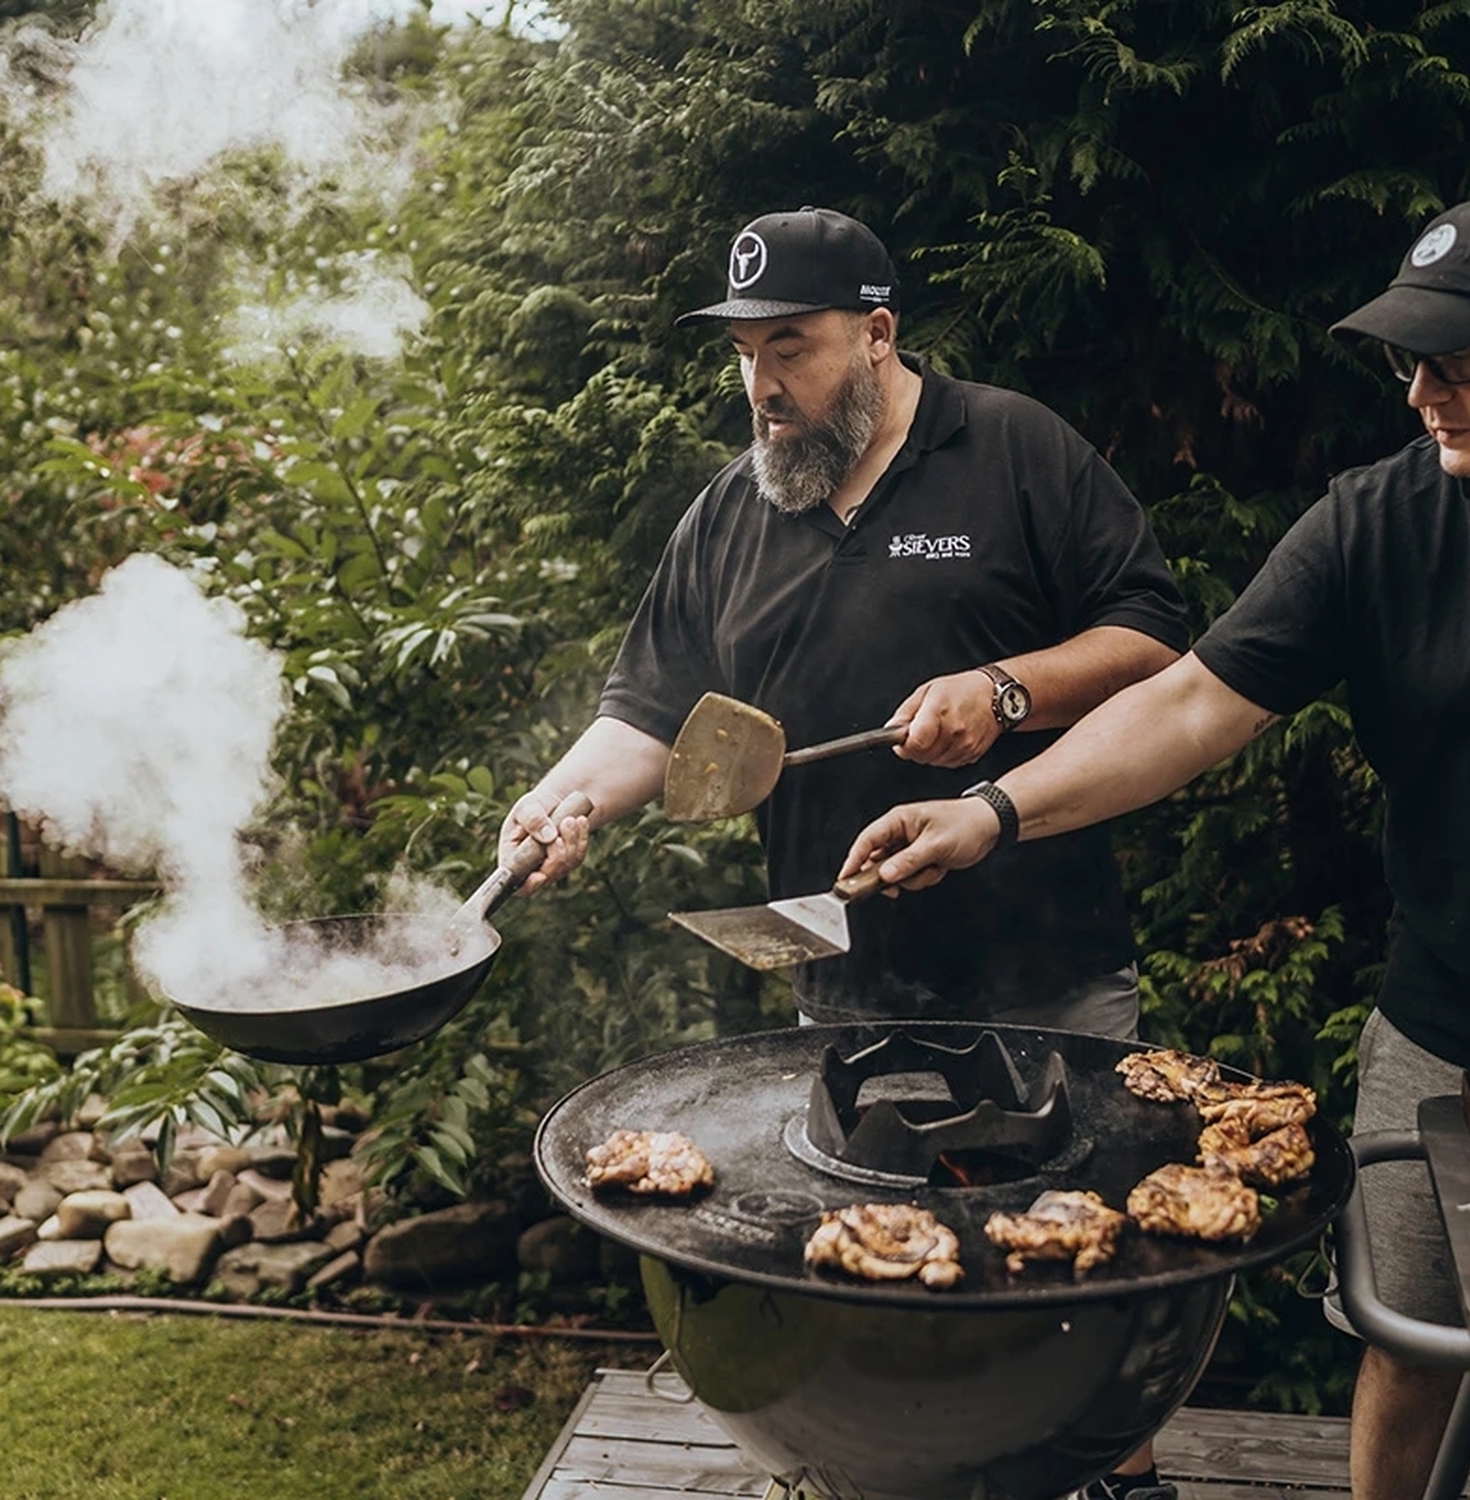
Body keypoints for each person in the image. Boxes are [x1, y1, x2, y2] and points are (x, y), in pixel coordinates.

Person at [503, 204, 1190, 1500]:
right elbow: (647, 713)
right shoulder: (729, 516)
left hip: (1042, 966)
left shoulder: (1015, 452)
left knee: (1075, 1272)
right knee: (870, 1273)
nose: (763, 384)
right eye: (746, 352)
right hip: (842, 991)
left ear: (878, 335)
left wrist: (1007, 688)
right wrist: (565, 802)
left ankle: (1118, 1479)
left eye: (794, 347)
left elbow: (1160, 644)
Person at [840, 199, 1470, 1500]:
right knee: (1412, 1345)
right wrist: (991, 812)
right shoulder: (1378, 528)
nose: (1420, 392)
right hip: (1442, 1027)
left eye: (1456, 360)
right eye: (1410, 358)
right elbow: (1188, 703)